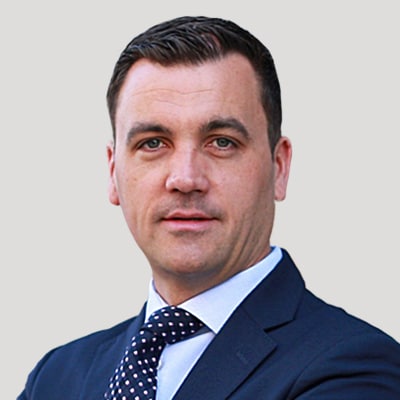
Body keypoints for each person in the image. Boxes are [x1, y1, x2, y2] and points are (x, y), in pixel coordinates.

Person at [18, 15, 400, 400]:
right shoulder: (56, 378)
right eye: (153, 143)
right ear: (113, 171)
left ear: (279, 167)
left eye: (222, 142)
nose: (185, 178)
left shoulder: (355, 367)